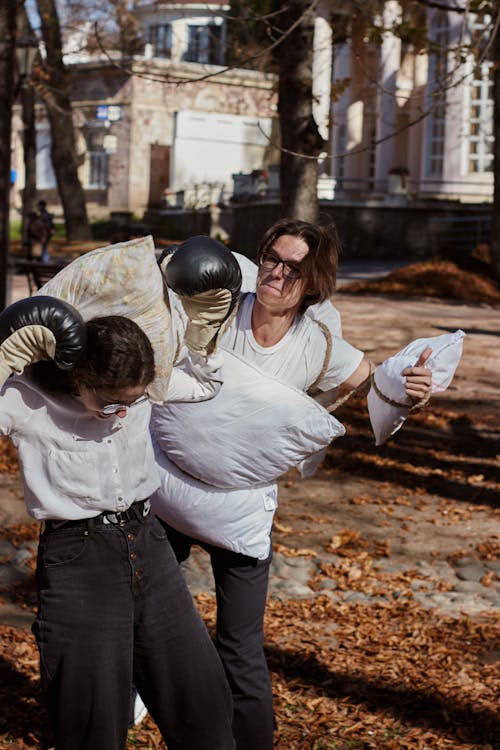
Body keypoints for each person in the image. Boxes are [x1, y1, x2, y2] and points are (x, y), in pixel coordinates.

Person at [150, 220, 433, 750]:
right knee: (137, 612)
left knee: (240, 647)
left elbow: (377, 386)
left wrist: (409, 392)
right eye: (272, 259)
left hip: (239, 513)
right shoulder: (220, 305)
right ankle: (136, 708)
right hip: (169, 493)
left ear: (314, 284)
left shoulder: (320, 347)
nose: (277, 273)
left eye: (293, 268)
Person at [0, 297, 235, 750]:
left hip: (150, 544)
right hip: (78, 560)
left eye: (135, 402)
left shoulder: (140, 386)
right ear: (77, 377)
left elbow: (206, 384)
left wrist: (204, 333)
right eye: (109, 405)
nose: (122, 416)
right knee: (91, 721)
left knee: (202, 704)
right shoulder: (26, 399)